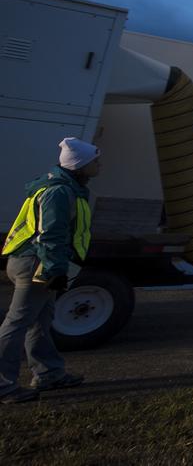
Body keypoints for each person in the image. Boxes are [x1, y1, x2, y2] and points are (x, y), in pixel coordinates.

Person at [0, 137, 99, 403]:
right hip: (37, 263)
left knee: (41, 319)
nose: (98, 165)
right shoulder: (58, 192)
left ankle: (49, 373)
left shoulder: (67, 188)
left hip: (40, 261)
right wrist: (55, 270)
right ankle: (3, 384)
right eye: (94, 161)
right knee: (17, 321)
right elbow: (50, 235)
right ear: (80, 165)